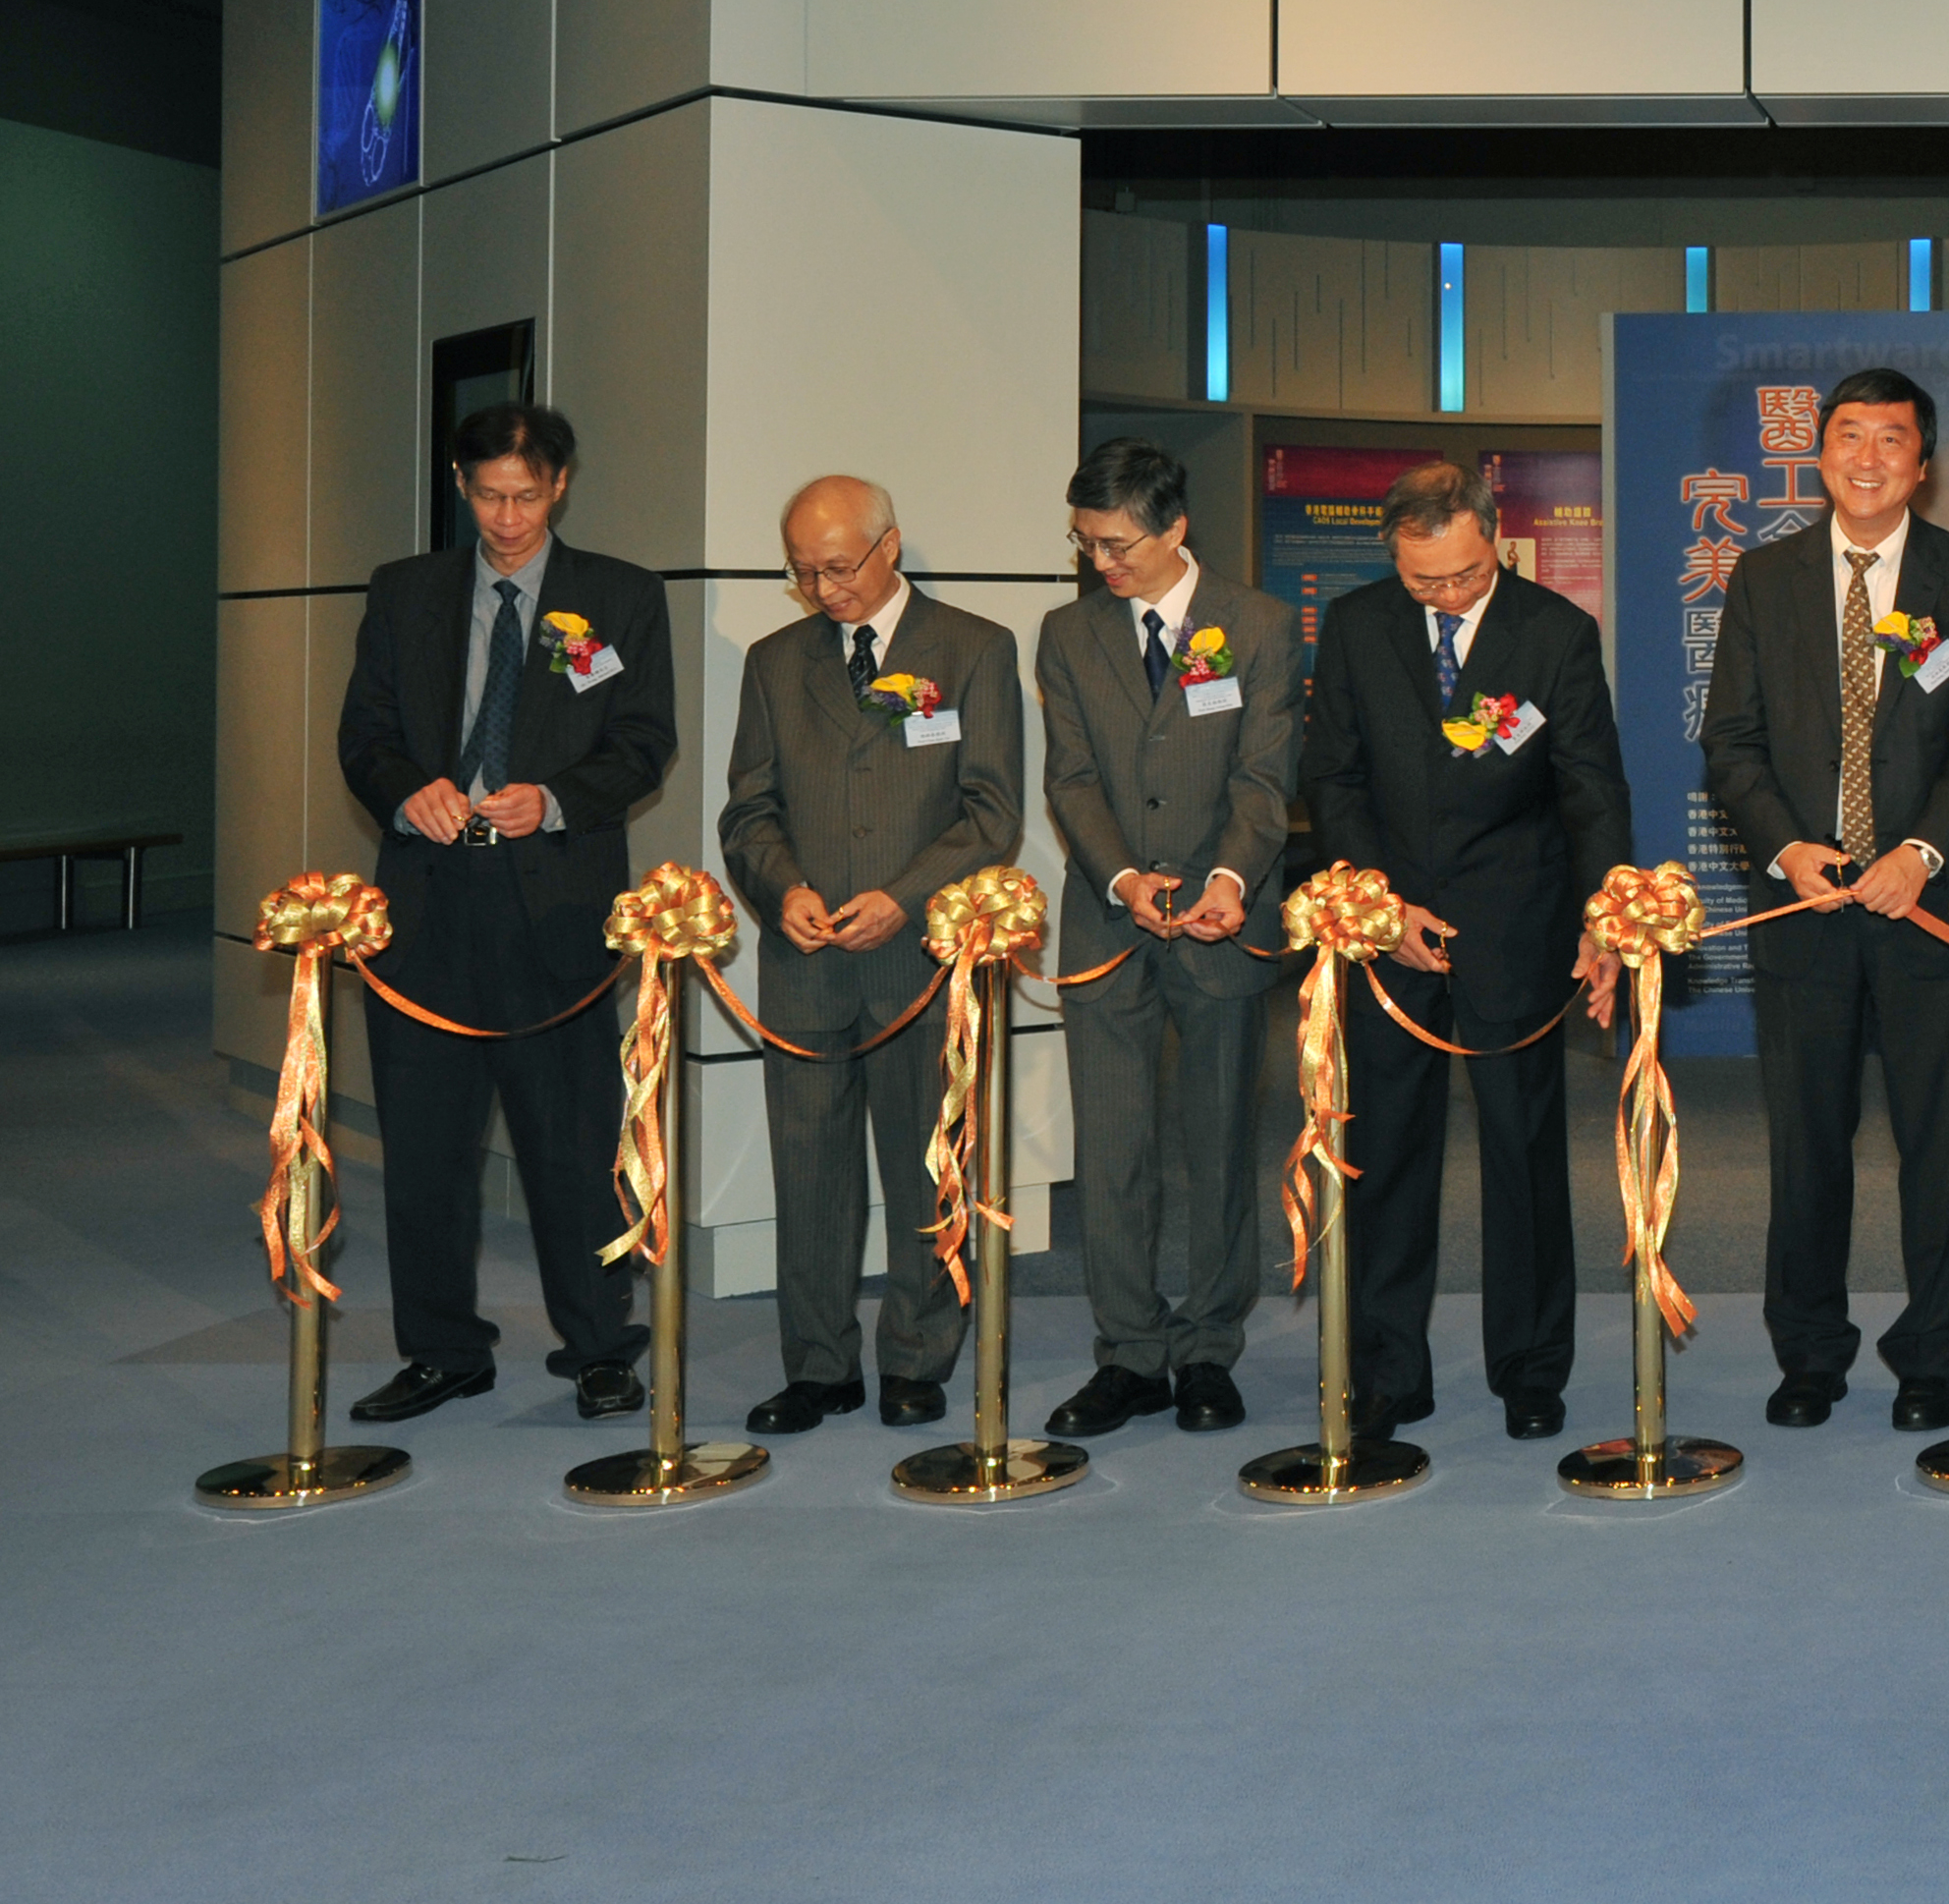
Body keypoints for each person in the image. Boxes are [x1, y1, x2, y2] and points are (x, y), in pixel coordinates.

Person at [329, 403, 677, 1426]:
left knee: (570, 1143)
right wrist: (406, 790)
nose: (508, 517)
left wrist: (557, 797)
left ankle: (601, 1346)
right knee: (426, 1147)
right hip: (430, 905)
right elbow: (365, 734)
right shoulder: (407, 592)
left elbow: (643, 741)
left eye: (526, 496)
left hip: (557, 902)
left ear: (560, 485)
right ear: (459, 483)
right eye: (487, 495)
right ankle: (441, 1350)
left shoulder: (618, 595)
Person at [1699, 368, 1949, 1434]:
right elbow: (1730, 741)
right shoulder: (1765, 575)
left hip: (1922, 910)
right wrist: (1788, 848)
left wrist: (1921, 853)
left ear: (1921, 464)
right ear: (1820, 453)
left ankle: (1928, 1356)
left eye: (1891, 440)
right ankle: (1808, 1356)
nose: (1867, 456)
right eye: (1849, 436)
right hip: (1806, 909)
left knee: (1937, 1143)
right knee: (1804, 1143)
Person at [1306, 458, 1632, 1444]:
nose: (1444, 595)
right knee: (1385, 1148)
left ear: (1494, 540)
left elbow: (1590, 790)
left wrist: (1600, 915)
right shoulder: (1358, 627)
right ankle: (1385, 1368)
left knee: (1522, 1151)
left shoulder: (1555, 634)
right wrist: (1380, 902)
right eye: (1422, 581)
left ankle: (1529, 1368)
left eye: (1462, 575)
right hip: (1391, 929)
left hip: (1514, 927)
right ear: (1392, 559)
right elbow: (1334, 779)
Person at [718, 476, 1026, 1436]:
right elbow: (748, 809)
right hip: (805, 961)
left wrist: (903, 898)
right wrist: (783, 889)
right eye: (803, 571)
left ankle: (915, 1356)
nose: (822, 588)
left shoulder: (974, 649)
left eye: (838, 566)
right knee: (808, 1171)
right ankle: (817, 1365)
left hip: (919, 959)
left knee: (923, 1163)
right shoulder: (774, 663)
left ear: (890, 546)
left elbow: (992, 811)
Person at [1030, 439, 1300, 1443]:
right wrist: (1123, 877)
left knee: (1219, 1141)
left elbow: (1265, 777)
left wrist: (1228, 880)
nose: (1101, 564)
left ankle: (1206, 1351)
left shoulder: (1260, 625)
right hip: (1108, 920)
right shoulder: (1067, 634)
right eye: (1085, 544)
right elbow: (1071, 778)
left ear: (1174, 527)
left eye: (1116, 544)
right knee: (1112, 1148)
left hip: (1223, 922)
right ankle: (1129, 1354)